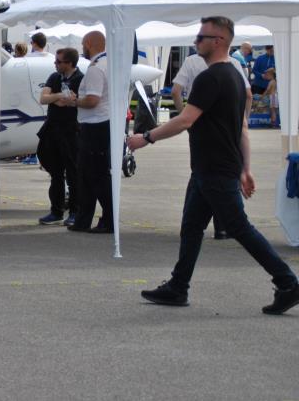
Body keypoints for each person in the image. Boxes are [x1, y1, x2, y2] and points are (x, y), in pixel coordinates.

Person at [128, 17, 299, 315]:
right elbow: (242, 127)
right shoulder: (234, 76)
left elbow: (185, 119)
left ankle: (288, 283)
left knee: (239, 227)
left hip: (215, 169)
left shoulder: (211, 78)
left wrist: (147, 137)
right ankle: (178, 287)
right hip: (212, 168)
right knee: (192, 226)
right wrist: (246, 168)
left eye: (200, 37)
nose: (196, 42)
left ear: (218, 40)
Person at [172, 51, 252, 239]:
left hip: (200, 125)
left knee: (199, 173)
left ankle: (190, 223)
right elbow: (248, 95)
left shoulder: (191, 61)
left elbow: (176, 90)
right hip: (228, 127)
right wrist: (243, 120)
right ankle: (223, 226)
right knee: (225, 173)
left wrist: (184, 114)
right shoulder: (233, 63)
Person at [68, 30, 113, 234]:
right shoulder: (108, 64)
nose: (82, 49)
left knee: (94, 175)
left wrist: (74, 101)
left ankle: (107, 219)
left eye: (83, 45)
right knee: (89, 175)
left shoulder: (96, 68)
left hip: (95, 125)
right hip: (102, 124)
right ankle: (84, 219)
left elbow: (93, 100)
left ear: (89, 44)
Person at [37, 47, 84, 226]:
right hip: (52, 130)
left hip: (71, 131)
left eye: (59, 62)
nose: (55, 64)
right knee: (55, 172)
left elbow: (72, 101)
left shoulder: (81, 79)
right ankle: (56, 211)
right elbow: (43, 98)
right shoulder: (54, 77)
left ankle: (75, 212)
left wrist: (59, 99)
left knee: (73, 173)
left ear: (69, 63)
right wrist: (58, 96)